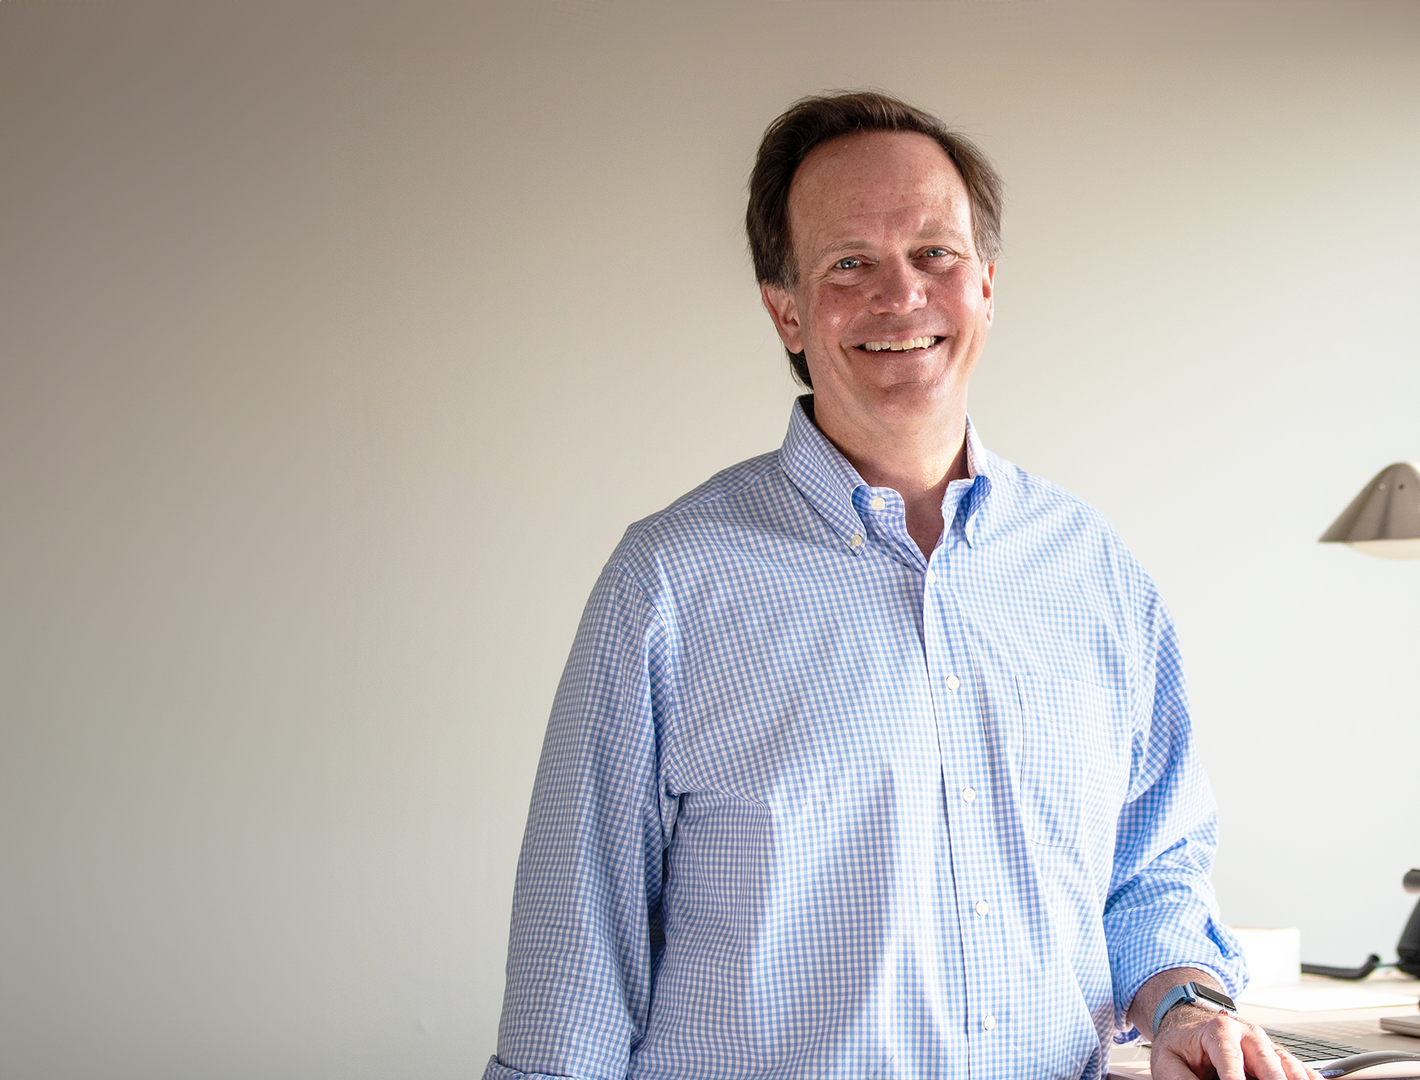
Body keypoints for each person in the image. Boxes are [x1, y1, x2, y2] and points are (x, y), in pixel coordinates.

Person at [484, 91, 1309, 1080]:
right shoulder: (668, 583)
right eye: (849, 264)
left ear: (986, 287)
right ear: (787, 312)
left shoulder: (1092, 570)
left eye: (934, 254)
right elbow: (575, 961)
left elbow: (1152, 867)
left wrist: (1186, 1010)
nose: (901, 295)